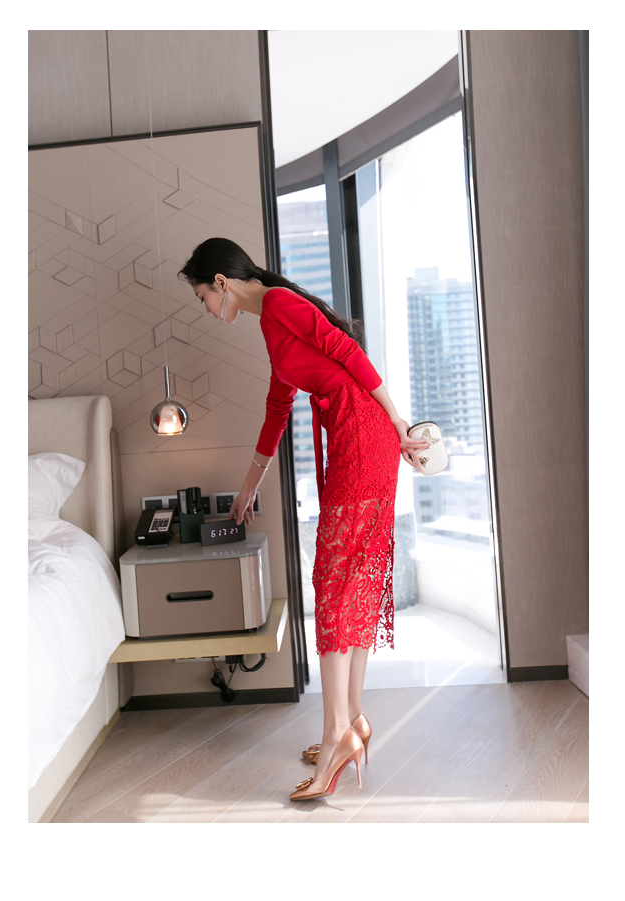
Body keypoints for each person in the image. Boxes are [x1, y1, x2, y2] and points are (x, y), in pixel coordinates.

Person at [178, 237, 429, 801]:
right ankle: (352, 719)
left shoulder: (278, 306)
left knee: (337, 581)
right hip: (356, 433)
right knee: (351, 579)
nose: (207, 309)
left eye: (202, 297)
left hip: (362, 431)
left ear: (221, 283)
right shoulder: (272, 321)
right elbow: (277, 408)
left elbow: (348, 352)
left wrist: (398, 422)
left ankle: (338, 733)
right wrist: (249, 487)